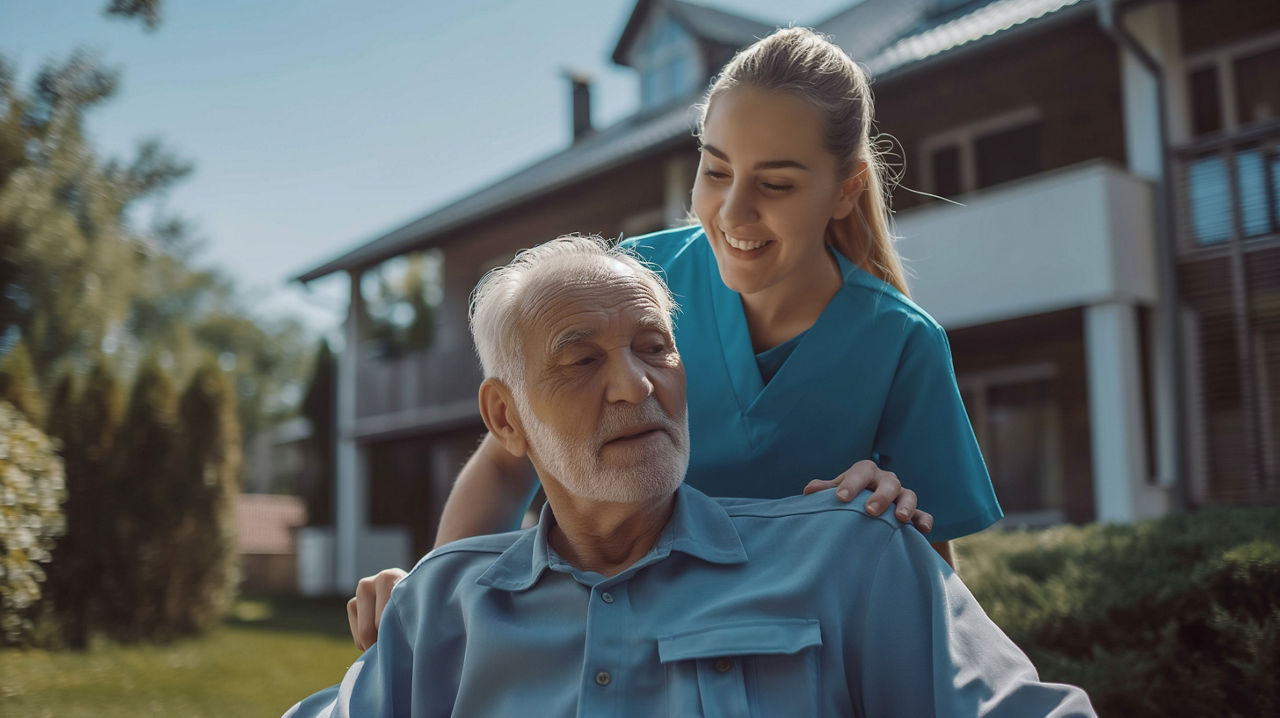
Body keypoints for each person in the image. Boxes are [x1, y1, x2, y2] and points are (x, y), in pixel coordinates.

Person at [348, 26, 1002, 650]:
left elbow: (931, 577)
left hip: (780, 657)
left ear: (845, 190)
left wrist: (890, 513)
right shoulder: (637, 285)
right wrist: (435, 597)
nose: (733, 212)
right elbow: (505, 461)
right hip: (609, 626)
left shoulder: (901, 344)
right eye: (716, 171)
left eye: (775, 184)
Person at [287, 236, 1092, 718]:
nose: (636, 385)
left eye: (655, 348)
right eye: (581, 361)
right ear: (505, 419)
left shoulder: (853, 554)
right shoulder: (441, 610)